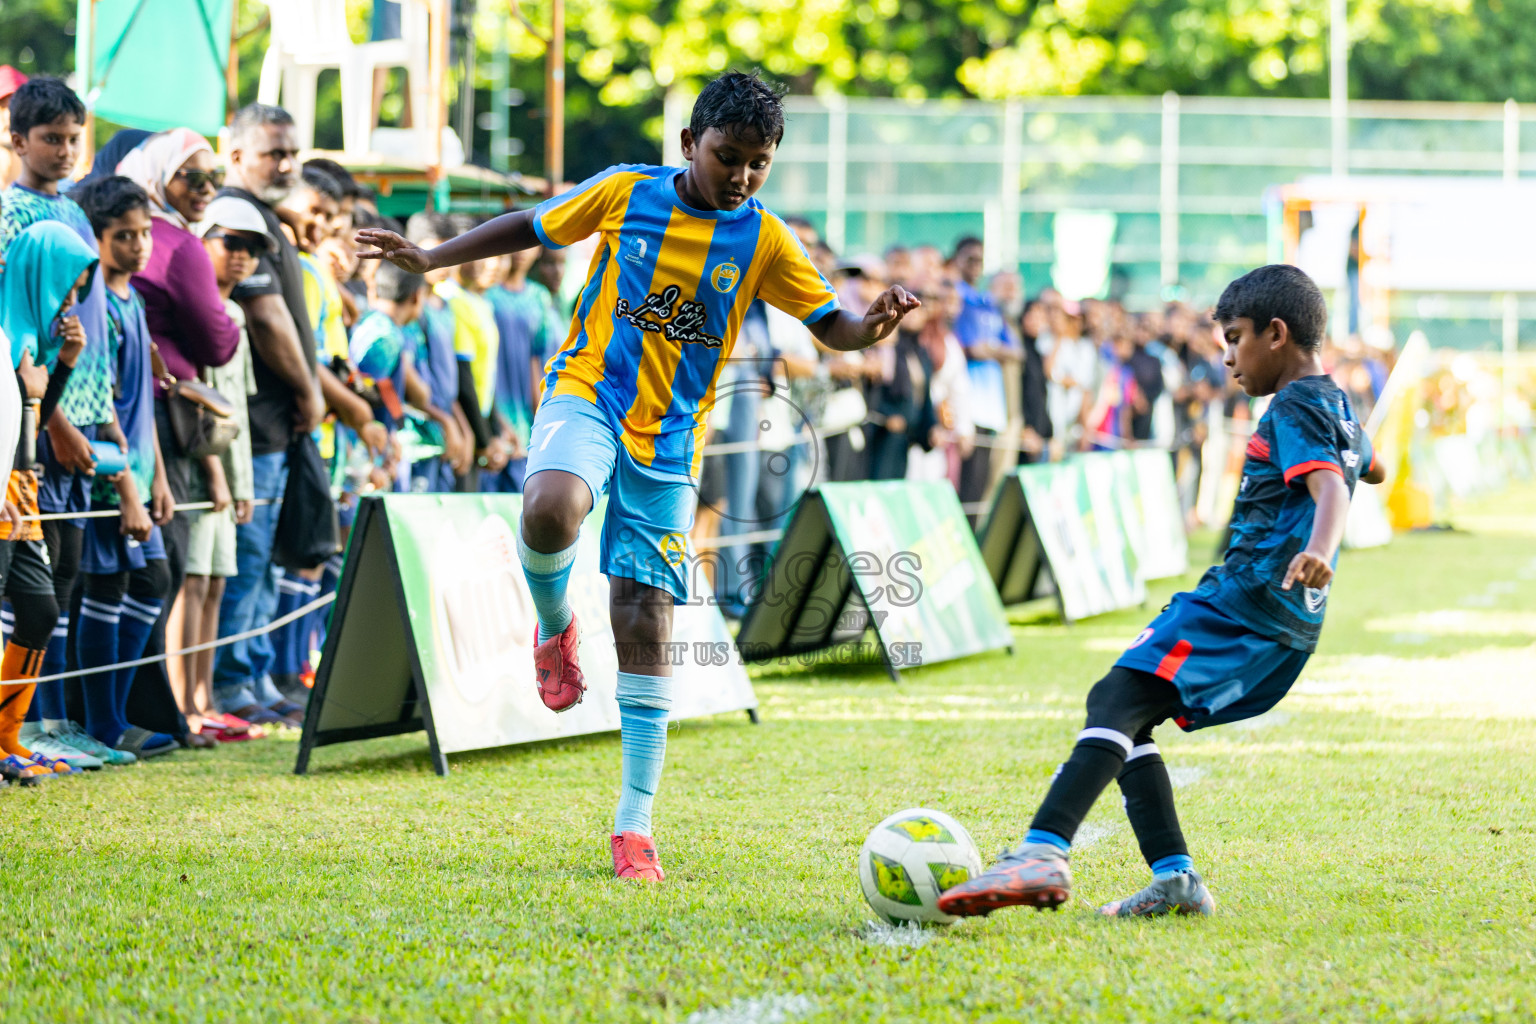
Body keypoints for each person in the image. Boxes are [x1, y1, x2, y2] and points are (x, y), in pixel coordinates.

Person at [357, 70, 920, 881]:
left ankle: (634, 822)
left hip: (673, 437)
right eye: (729, 156)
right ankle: (554, 626)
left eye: (759, 163)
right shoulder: (627, 192)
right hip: (589, 391)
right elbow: (534, 224)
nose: (742, 176)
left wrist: (868, 330)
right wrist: (434, 258)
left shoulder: (764, 237)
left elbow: (828, 322)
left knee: (646, 613)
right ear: (689, 144)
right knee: (551, 508)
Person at [937, 264, 1386, 920]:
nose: (1226, 356)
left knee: (1119, 694)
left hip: (1247, 602)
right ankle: (1174, 879)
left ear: (1277, 334)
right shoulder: (1335, 402)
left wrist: (1320, 546)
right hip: (1282, 618)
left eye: (1235, 338)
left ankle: (1043, 849)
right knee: (1124, 705)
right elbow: (1367, 465)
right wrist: (1351, 465)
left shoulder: (1293, 404)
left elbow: (1334, 485)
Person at [2, 77, 125, 754]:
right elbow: (18, 332)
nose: (66, 151)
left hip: (80, 412)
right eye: (51, 138)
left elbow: (88, 330)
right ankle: (28, 728)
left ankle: (55, 727)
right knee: (30, 589)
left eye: (75, 138)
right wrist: (52, 421)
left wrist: (98, 415)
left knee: (68, 580)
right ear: (17, 140)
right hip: (32, 426)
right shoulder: (8, 216)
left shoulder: (78, 213)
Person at [212, 104, 323, 727]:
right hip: (254, 424)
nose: (285, 164)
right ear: (235, 155)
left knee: (263, 559)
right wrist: (310, 389)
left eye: (291, 152)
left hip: (276, 427)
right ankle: (231, 686)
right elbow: (267, 318)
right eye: (272, 153)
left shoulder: (264, 217)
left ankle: (252, 675)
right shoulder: (236, 215)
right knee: (248, 558)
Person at [68, 176, 180, 759]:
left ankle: (111, 716)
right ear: (97, 235)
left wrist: (157, 477)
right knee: (107, 585)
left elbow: (143, 407)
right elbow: (102, 406)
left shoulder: (132, 299)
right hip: (111, 471)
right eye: (124, 236)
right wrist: (128, 486)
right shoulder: (95, 303)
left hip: (139, 470)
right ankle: (102, 723)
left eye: (144, 234)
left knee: (154, 579)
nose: (139, 246)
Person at [0, 221, 96, 780]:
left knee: (40, 607)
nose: (71, 299)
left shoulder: (30, 338)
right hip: (5, 488)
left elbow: (28, 425)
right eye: (67, 284)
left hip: (23, 488)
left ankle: (8, 736)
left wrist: (62, 367)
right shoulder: (7, 331)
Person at [177, 197, 266, 743]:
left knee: (214, 584)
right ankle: (183, 704)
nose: (242, 257)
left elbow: (240, 411)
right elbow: (197, 405)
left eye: (252, 249)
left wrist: (243, 483)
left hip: (232, 472)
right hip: (200, 468)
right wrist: (216, 474)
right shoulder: (198, 312)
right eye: (230, 243)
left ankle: (206, 700)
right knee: (191, 583)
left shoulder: (234, 315)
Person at [949, 237, 1019, 524]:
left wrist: (990, 349)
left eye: (980, 260)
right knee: (964, 489)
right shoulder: (957, 297)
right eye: (970, 259)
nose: (975, 266)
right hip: (968, 407)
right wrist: (991, 350)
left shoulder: (986, 303)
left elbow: (1016, 351)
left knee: (979, 489)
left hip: (991, 409)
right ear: (956, 259)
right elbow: (971, 347)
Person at [484, 245, 558, 492]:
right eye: (516, 244)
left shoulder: (539, 297)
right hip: (490, 411)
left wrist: (540, 418)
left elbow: (536, 360)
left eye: (530, 244)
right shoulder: (486, 294)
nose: (521, 251)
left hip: (523, 417)